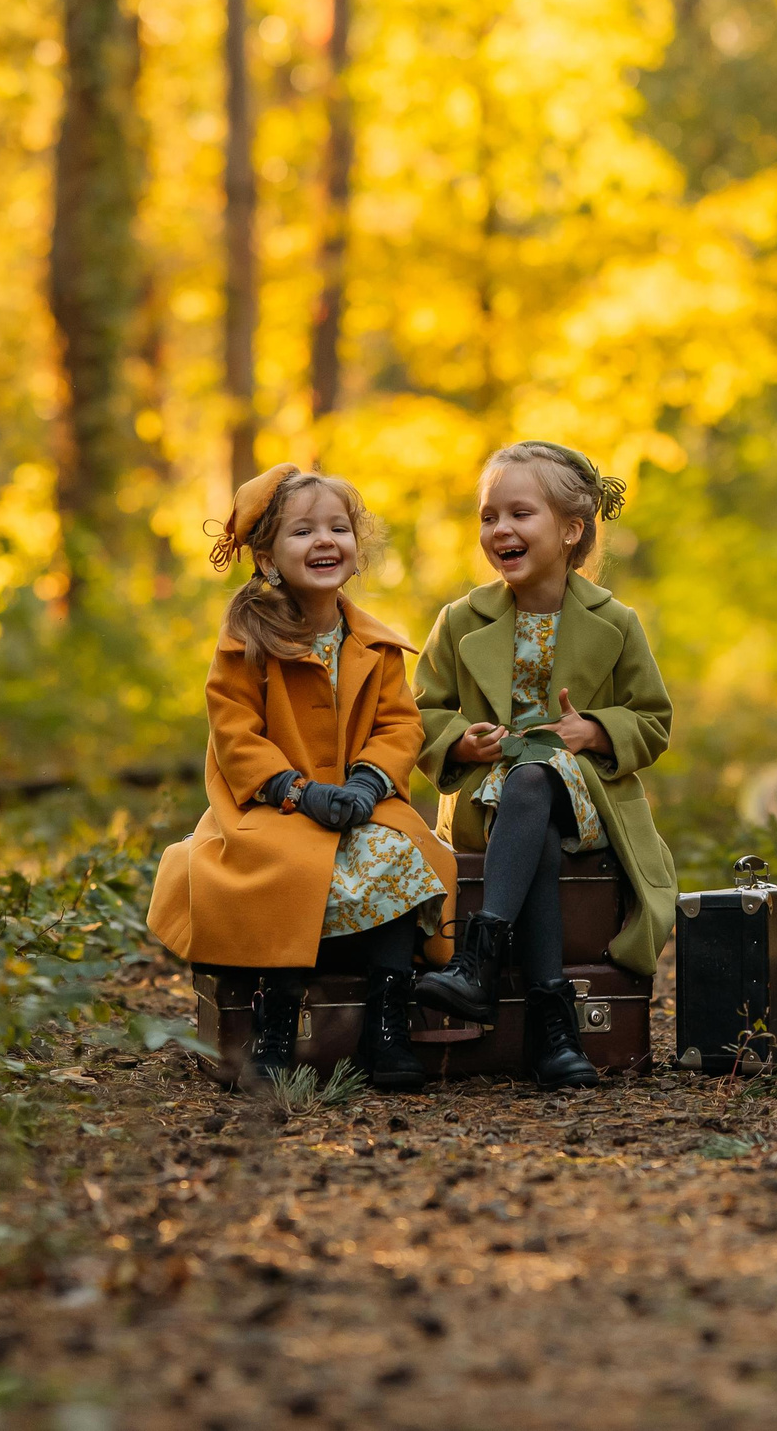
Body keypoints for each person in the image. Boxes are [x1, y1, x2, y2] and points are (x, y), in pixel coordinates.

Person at [147, 464, 456, 1093]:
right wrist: (295, 789)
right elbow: (235, 734)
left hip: (360, 802)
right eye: (303, 531)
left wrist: (369, 784)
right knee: (280, 866)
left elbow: (401, 726)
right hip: (273, 805)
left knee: (400, 855)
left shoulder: (375, 646)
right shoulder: (245, 642)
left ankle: (388, 1021)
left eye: (338, 529)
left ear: (356, 548)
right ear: (266, 557)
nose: (324, 541)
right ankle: (276, 1020)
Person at [410, 441, 677, 1088]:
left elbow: (653, 719)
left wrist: (594, 729)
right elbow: (423, 713)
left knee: (537, 777)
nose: (500, 528)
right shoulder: (458, 621)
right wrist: (460, 744)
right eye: (488, 516)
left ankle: (480, 962)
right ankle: (554, 1030)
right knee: (534, 826)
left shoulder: (615, 620)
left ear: (570, 529)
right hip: (488, 800)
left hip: (585, 796)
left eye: (519, 513)